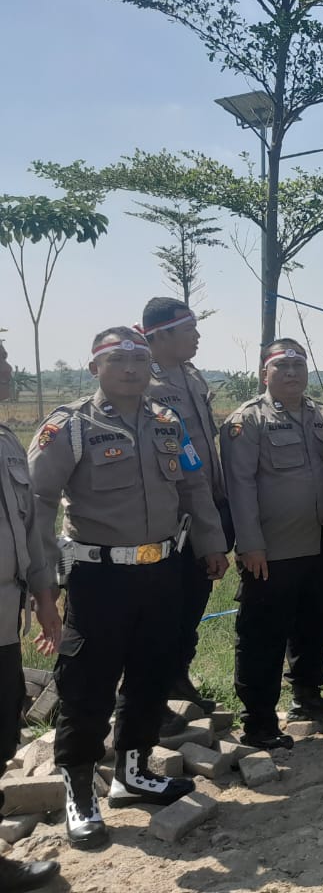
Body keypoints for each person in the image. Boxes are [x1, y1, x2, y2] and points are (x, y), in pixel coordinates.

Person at [27, 328, 227, 850]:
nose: (133, 368)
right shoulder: (70, 426)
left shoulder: (168, 422)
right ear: (96, 367)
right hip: (100, 578)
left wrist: (211, 543)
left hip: (162, 570)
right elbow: (39, 503)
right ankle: (79, 790)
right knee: (88, 684)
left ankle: (132, 772)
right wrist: (42, 577)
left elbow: (193, 485)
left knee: (151, 672)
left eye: (140, 358)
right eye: (118, 359)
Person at [221, 339, 323, 752]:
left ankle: (308, 697)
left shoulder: (322, 416)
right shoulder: (247, 421)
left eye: (298, 364)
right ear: (266, 374)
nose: (292, 373)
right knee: (263, 636)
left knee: (316, 624)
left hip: (319, 542)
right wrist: (250, 545)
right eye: (282, 366)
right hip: (271, 551)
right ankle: (258, 720)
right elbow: (238, 487)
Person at [140, 298, 226, 716]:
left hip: (205, 506)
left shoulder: (191, 376)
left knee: (193, 599)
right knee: (163, 608)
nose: (197, 336)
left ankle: (177, 679)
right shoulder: (143, 381)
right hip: (168, 515)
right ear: (161, 335)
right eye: (189, 329)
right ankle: (151, 698)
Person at [0, 340, 61, 889]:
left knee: (2, 726)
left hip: (5, 616)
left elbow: (31, 533)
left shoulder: (8, 445)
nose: (7, 369)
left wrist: (45, 599)